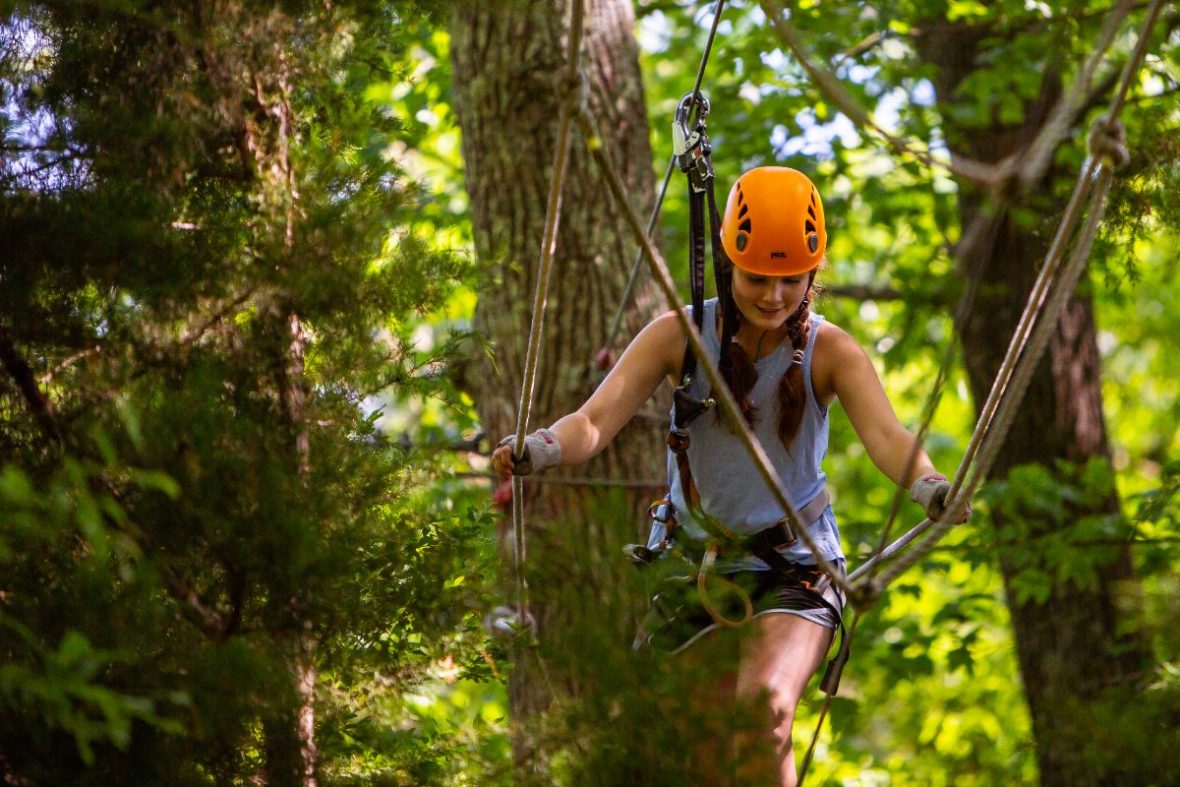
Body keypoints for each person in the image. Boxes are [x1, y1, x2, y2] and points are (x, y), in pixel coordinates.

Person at [492, 166, 968, 786]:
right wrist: (541, 448)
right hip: (696, 569)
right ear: (726, 265)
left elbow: (887, 436)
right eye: (757, 278)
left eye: (790, 280)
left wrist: (930, 486)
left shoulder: (831, 352)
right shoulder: (678, 337)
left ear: (812, 274)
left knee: (762, 711)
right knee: (695, 751)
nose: (773, 296)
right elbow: (594, 422)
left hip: (795, 566)